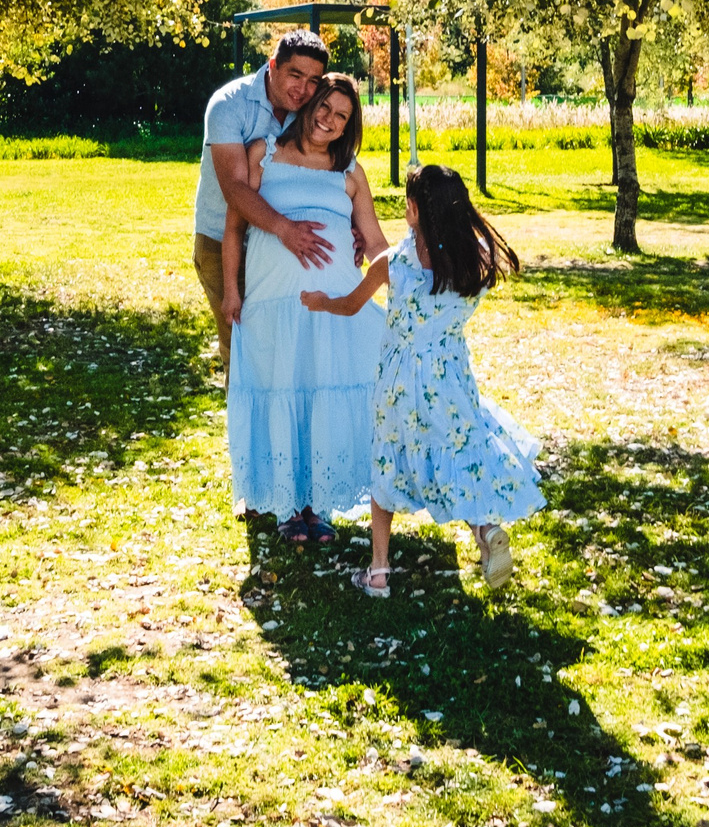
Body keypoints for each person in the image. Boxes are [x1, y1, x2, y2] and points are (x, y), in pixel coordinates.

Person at [302, 162, 539, 595]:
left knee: (387, 462)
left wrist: (320, 302)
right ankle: (485, 532)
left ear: (412, 209)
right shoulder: (475, 262)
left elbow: (351, 304)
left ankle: (378, 570)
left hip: (398, 384)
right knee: (456, 456)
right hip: (450, 381)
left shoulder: (394, 265)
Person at [222, 74, 388, 545]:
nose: (329, 120)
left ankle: (315, 505)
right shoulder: (263, 154)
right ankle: (285, 508)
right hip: (274, 304)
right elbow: (235, 228)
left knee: (320, 396)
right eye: (324, 107)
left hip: (333, 310)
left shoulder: (350, 172)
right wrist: (231, 291)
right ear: (309, 102)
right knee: (282, 391)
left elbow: (374, 241)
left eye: (341, 116)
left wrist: (406, 281)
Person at [193, 31, 333, 375]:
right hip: (221, 242)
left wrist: (353, 230)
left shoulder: (312, 111)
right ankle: (244, 430)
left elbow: (327, 172)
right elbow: (236, 190)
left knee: (284, 354)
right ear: (273, 66)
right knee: (243, 355)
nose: (302, 89)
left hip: (279, 249)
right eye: (295, 75)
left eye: (313, 80)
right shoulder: (229, 104)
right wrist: (285, 229)